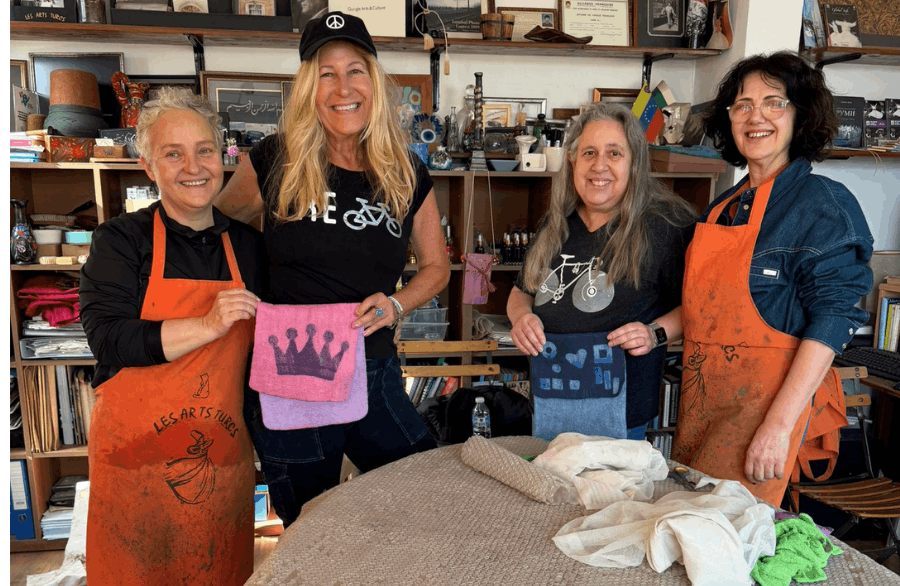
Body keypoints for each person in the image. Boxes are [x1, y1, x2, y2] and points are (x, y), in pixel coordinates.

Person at [216, 11, 448, 527]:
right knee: (307, 525)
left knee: (422, 499)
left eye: (355, 71)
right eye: (326, 73)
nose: (343, 87)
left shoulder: (407, 171)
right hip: (291, 370)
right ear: (308, 88)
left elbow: (437, 267)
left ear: (374, 81)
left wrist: (395, 304)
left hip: (374, 368)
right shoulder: (275, 158)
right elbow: (216, 230)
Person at [671, 52, 873, 506]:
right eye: (742, 104)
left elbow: (834, 319)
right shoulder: (722, 208)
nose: (755, 116)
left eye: (773, 102)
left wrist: (778, 427)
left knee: (735, 545)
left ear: (800, 115)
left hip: (769, 411)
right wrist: (652, 331)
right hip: (706, 406)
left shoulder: (822, 205)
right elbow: (706, 307)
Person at [80, 87, 264, 585]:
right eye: (173, 153)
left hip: (219, 465)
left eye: (204, 150)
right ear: (148, 166)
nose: (193, 167)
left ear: (223, 155)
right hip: (134, 466)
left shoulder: (248, 246)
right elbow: (110, 340)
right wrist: (207, 324)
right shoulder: (120, 240)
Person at [506, 101, 697, 441]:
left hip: (620, 415)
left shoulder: (665, 226)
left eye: (614, 154)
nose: (600, 166)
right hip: (551, 403)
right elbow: (522, 291)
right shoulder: (556, 224)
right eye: (589, 153)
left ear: (634, 162)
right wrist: (522, 318)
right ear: (572, 160)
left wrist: (654, 333)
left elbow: (699, 309)